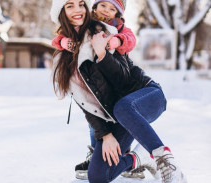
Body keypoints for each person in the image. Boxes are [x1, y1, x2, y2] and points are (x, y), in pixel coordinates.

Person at [50, 0, 187, 183]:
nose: (78, 10)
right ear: (61, 12)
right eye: (69, 6)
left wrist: (102, 54)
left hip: (145, 96)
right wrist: (105, 135)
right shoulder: (63, 55)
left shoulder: (104, 32)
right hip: (118, 116)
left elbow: (124, 81)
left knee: (123, 107)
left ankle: (164, 160)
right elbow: (85, 103)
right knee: (98, 176)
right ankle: (139, 158)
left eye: (81, 4)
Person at [52, 0, 139, 179]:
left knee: (118, 118)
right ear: (95, 7)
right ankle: (95, 153)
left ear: (118, 14)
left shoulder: (119, 28)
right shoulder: (86, 23)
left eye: (112, 9)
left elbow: (131, 40)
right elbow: (59, 36)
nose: (106, 11)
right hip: (95, 84)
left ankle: (126, 154)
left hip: (115, 79)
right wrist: (63, 42)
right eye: (103, 6)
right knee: (95, 120)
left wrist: (117, 41)